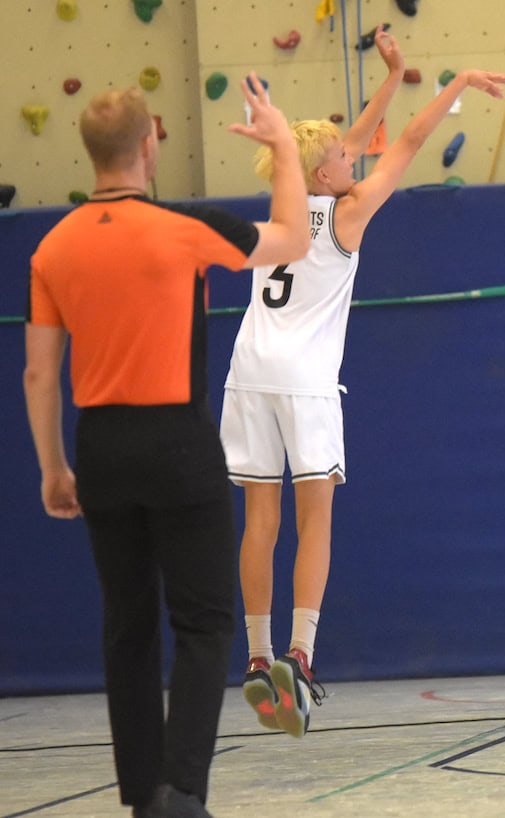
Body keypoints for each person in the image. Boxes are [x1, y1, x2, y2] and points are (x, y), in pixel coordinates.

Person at [219, 25, 505, 738]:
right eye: (349, 156)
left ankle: (259, 659)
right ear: (329, 173)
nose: (361, 154)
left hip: (247, 372)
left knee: (259, 524)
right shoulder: (347, 217)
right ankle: (302, 652)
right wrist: (451, 84)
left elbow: (343, 142)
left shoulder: (286, 209)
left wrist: (392, 75)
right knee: (314, 517)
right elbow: (409, 143)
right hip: (303, 378)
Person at [23, 77, 309, 818]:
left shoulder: (51, 247)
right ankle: (181, 791)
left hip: (104, 444)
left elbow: (38, 372)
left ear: (90, 153)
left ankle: (142, 794)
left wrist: (55, 465)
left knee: (126, 625)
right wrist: (282, 144)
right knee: (206, 621)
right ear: (150, 142)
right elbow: (294, 239)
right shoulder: (183, 229)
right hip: (178, 441)